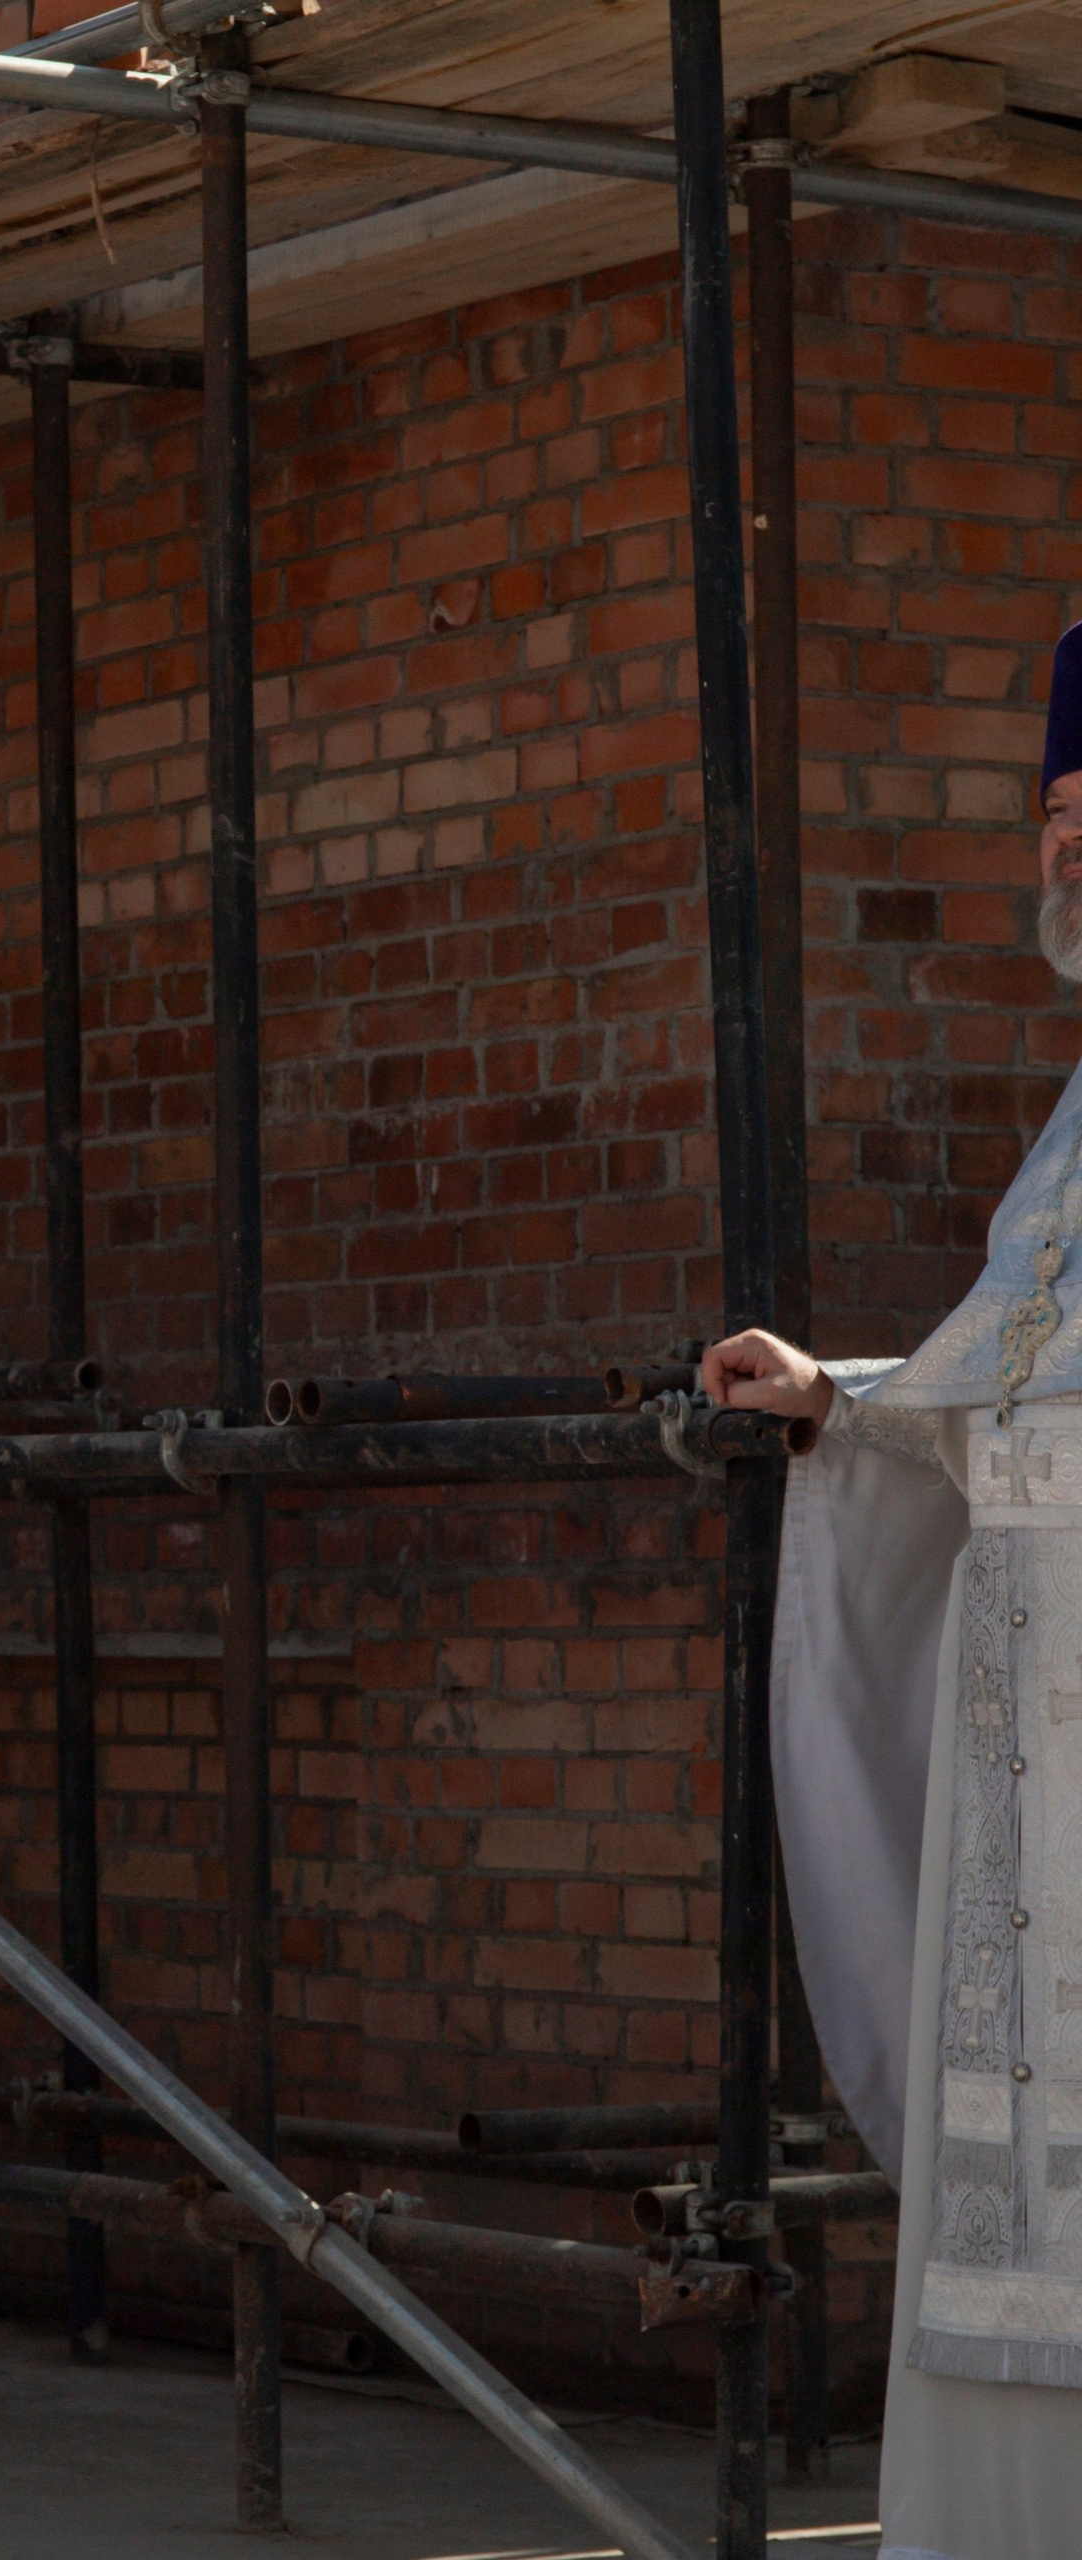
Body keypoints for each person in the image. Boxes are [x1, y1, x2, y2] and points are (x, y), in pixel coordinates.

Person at [706, 620, 1082, 2560]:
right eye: (1055, 820)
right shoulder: (1063, 1136)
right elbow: (1003, 1388)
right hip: (1032, 1763)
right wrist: (835, 1398)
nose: (1069, 855)